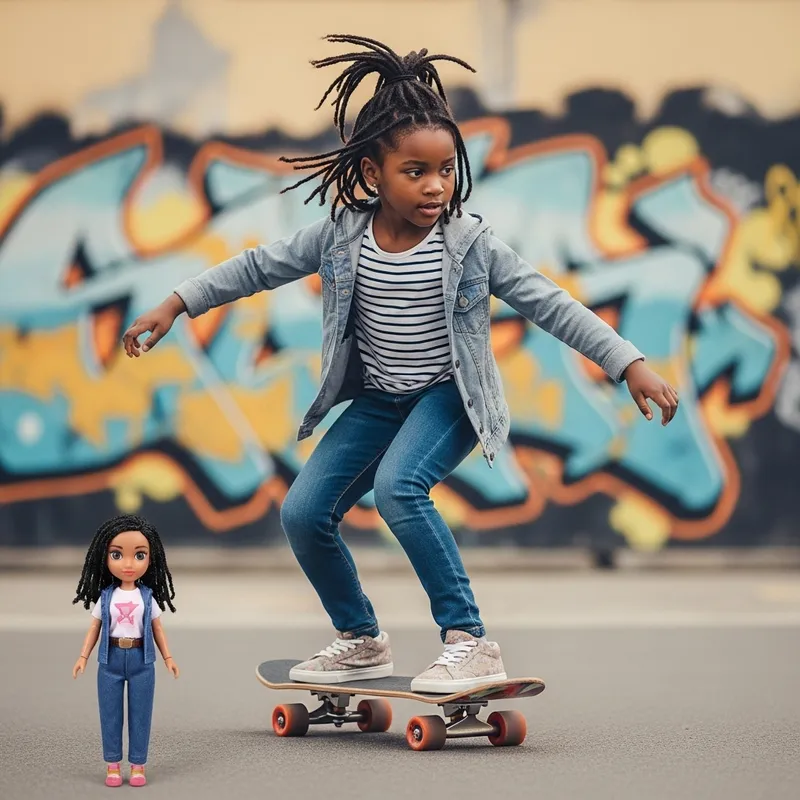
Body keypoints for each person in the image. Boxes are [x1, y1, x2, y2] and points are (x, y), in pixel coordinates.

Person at [121, 34, 678, 694]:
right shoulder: (338, 235)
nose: (436, 185)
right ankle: (359, 639)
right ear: (372, 175)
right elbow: (256, 266)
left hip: (448, 398)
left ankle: (469, 640)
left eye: (446, 170)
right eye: (415, 172)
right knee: (303, 513)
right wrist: (177, 302)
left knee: (399, 489)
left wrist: (627, 362)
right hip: (380, 401)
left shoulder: (471, 245)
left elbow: (550, 303)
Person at [72, 514, 179, 786]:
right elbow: (94, 628)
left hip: (143, 660)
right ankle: (112, 765)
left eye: (139, 555)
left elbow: (157, 629)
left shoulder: (147, 596)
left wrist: (168, 657)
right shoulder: (106, 596)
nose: (129, 564)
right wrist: (83, 656)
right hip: (111, 659)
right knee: (110, 713)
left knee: (141, 713)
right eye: (117, 555)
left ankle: (138, 765)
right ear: (104, 557)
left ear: (151, 558)